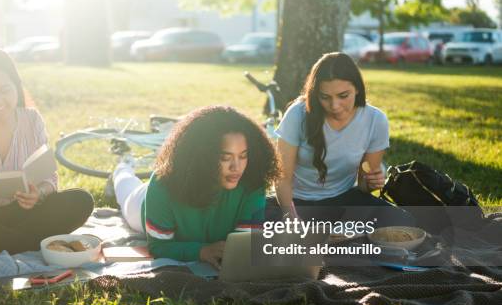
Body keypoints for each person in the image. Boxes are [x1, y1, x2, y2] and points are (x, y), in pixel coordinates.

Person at [0, 48, 93, 256]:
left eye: (5, 90)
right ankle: (32, 244)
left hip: (26, 213)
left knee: (81, 200)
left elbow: (49, 179)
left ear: (16, 87)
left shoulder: (32, 119)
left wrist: (38, 195)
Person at [112, 105, 279, 269]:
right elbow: (159, 247)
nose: (236, 167)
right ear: (201, 156)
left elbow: (243, 244)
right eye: (225, 157)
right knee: (125, 184)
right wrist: (202, 251)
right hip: (142, 202)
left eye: (243, 156)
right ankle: (123, 165)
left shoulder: (253, 182)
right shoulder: (162, 185)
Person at [274, 52, 414, 229]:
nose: (334, 106)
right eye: (325, 97)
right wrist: (291, 218)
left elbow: (363, 186)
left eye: (343, 95)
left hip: (344, 199)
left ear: (357, 88)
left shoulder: (375, 120)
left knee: (403, 222)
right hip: (296, 202)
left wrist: (372, 182)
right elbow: (281, 177)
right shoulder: (297, 114)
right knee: (252, 226)